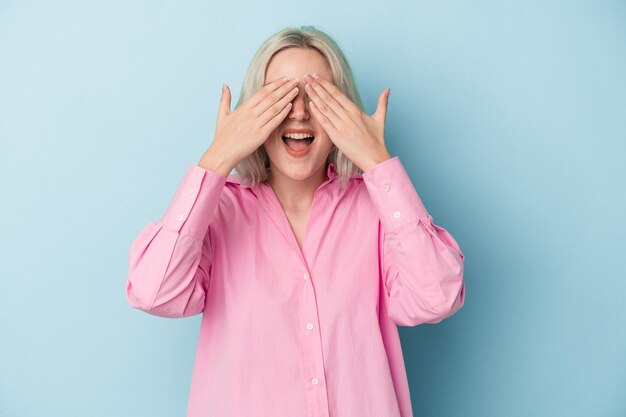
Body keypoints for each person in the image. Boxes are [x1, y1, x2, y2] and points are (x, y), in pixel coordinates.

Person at [125, 25, 466, 417]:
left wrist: (377, 161)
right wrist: (217, 158)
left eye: (318, 96)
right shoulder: (217, 213)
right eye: (282, 96)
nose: (300, 112)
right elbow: (154, 292)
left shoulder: (377, 211)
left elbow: (436, 298)